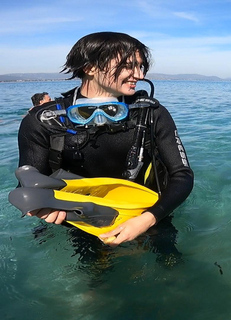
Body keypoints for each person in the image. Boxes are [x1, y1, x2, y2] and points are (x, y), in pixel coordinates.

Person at [16, 32, 194, 247]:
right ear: (90, 67)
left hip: (148, 211)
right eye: (129, 65)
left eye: (141, 66)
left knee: (169, 268)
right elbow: (28, 182)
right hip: (82, 219)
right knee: (97, 277)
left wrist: (146, 220)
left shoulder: (149, 112)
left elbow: (182, 175)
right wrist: (43, 207)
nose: (138, 74)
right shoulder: (44, 121)